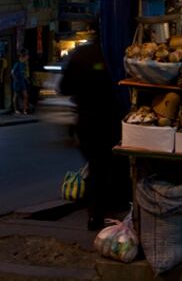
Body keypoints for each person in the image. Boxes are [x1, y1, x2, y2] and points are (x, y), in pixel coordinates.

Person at [60, 37, 124, 231]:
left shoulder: (81, 54)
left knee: (97, 167)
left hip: (86, 122)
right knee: (104, 167)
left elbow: (64, 87)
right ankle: (104, 212)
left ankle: (96, 214)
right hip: (109, 120)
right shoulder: (112, 54)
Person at [12, 49, 30, 115]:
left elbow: (23, 74)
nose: (27, 58)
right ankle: (15, 110)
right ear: (23, 57)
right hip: (17, 83)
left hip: (22, 82)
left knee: (25, 95)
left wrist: (27, 80)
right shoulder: (17, 64)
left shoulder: (24, 65)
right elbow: (12, 72)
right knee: (15, 96)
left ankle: (24, 110)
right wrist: (15, 79)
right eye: (27, 57)